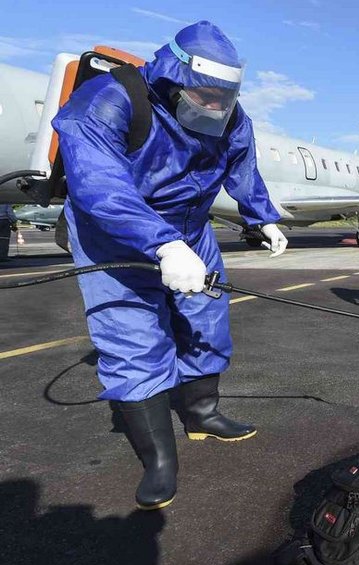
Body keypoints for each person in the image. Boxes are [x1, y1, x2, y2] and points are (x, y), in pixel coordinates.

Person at [52, 21, 288, 510]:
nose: (216, 107)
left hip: (192, 229)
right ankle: (159, 459)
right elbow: (99, 186)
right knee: (134, 336)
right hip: (113, 233)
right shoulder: (108, 102)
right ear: (173, 78)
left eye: (225, 97)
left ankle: (202, 413)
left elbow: (242, 165)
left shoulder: (229, 115)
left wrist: (260, 218)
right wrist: (161, 245)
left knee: (207, 320)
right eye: (206, 96)